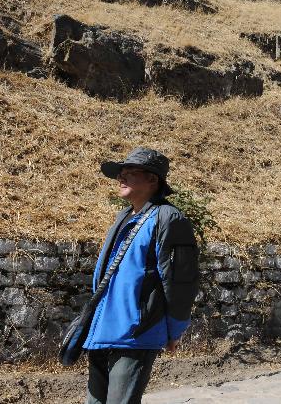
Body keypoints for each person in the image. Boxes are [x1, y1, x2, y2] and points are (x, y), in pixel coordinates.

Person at [84, 147, 200, 404]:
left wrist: (174, 330)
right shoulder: (124, 217)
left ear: (152, 179)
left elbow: (180, 281)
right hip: (103, 331)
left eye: (129, 173)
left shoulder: (169, 219)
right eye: (120, 174)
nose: (121, 178)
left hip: (135, 335)